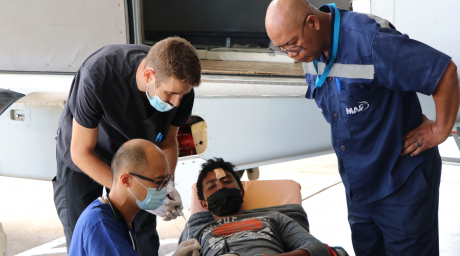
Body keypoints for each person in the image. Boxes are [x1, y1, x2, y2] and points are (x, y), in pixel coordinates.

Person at [265, 0, 460, 255]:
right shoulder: (309, 53)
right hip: (359, 188)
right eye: (283, 49)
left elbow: (443, 71)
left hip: (401, 183)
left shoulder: (370, 42)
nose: (292, 56)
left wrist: (440, 130)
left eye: (292, 46)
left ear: (312, 23)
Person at [53, 37, 202, 254]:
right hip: (86, 155)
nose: (176, 103)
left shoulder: (180, 91)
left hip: (136, 159)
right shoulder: (99, 74)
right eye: (170, 94)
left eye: (183, 94)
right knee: (88, 232)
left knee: (143, 237)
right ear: (149, 75)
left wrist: (165, 185)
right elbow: (80, 152)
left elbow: (169, 142)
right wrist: (137, 194)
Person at [180, 158, 346, 256]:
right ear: (204, 204)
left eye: (227, 181)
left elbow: (317, 248)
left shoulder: (274, 217)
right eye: (212, 186)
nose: (221, 187)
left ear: (242, 192)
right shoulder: (196, 232)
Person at [69, 139, 201, 256]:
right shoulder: (101, 226)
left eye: (167, 181)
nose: (165, 189)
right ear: (126, 180)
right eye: (158, 182)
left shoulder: (115, 216)